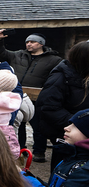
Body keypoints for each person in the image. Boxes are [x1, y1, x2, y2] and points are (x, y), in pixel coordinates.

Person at [0, 29, 62, 162]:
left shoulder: (54, 60)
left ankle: (39, 152)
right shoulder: (18, 55)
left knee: (38, 126)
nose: (29, 44)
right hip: (17, 95)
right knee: (19, 124)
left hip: (38, 97)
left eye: (32, 42)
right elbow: (1, 52)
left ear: (41, 44)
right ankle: (20, 148)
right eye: (27, 42)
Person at [36, 40, 89, 172]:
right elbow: (49, 107)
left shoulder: (84, 76)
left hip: (83, 136)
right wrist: (79, 125)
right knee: (64, 173)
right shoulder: (60, 77)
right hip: (67, 136)